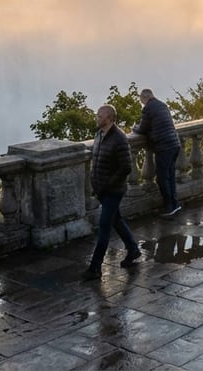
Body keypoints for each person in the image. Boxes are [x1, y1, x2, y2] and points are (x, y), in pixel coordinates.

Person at [82, 104, 142, 280]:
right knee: (116, 220)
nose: (97, 118)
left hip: (113, 191)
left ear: (109, 118)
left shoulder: (119, 138)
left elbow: (126, 167)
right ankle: (133, 249)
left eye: (100, 116)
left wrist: (108, 185)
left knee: (104, 226)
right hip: (101, 189)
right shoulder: (99, 134)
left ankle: (95, 267)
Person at [134, 88, 183, 216]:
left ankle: (169, 206)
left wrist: (134, 128)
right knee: (170, 175)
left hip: (164, 146)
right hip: (175, 143)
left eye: (142, 101)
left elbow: (142, 128)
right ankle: (175, 204)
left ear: (144, 98)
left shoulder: (148, 108)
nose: (142, 104)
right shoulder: (162, 105)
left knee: (162, 178)